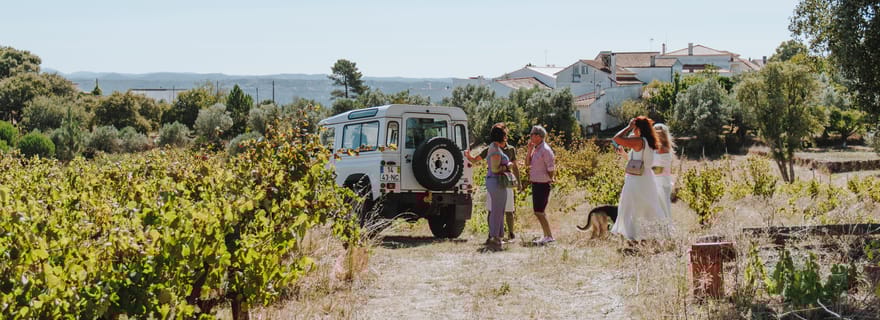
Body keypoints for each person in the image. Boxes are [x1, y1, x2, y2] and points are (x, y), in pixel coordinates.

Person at [610, 116, 670, 244]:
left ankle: (635, 236)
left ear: (638, 128)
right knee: (648, 207)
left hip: (636, 180)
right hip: (647, 178)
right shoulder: (648, 141)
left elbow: (616, 139)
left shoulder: (639, 141)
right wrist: (624, 154)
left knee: (633, 208)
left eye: (635, 128)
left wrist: (628, 126)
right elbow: (639, 162)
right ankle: (649, 235)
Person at [465, 123, 521, 241]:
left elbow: (515, 167)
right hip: (496, 181)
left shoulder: (510, 149)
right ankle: (492, 234)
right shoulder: (491, 148)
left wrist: (519, 182)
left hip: (506, 181)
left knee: (509, 209)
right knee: (492, 209)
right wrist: (468, 156)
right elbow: (475, 160)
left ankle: (510, 233)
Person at [483, 125, 512, 250]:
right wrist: (508, 166)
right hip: (496, 181)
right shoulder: (495, 150)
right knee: (497, 210)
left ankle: (498, 237)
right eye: (505, 135)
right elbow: (495, 168)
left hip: (496, 182)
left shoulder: (494, 147)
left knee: (499, 210)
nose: (506, 137)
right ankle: (495, 237)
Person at [525, 125, 556, 245]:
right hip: (536, 183)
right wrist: (529, 150)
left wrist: (549, 178)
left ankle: (549, 236)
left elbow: (551, 168)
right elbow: (528, 164)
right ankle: (547, 235)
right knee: (538, 211)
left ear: (538, 136)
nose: (530, 136)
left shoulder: (546, 150)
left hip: (543, 184)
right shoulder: (536, 149)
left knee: (539, 211)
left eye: (532, 134)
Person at [652, 123, 675, 222]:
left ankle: (666, 229)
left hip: (661, 181)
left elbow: (659, 169)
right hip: (659, 180)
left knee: (663, 207)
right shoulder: (659, 149)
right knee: (661, 206)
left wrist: (647, 168)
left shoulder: (663, 149)